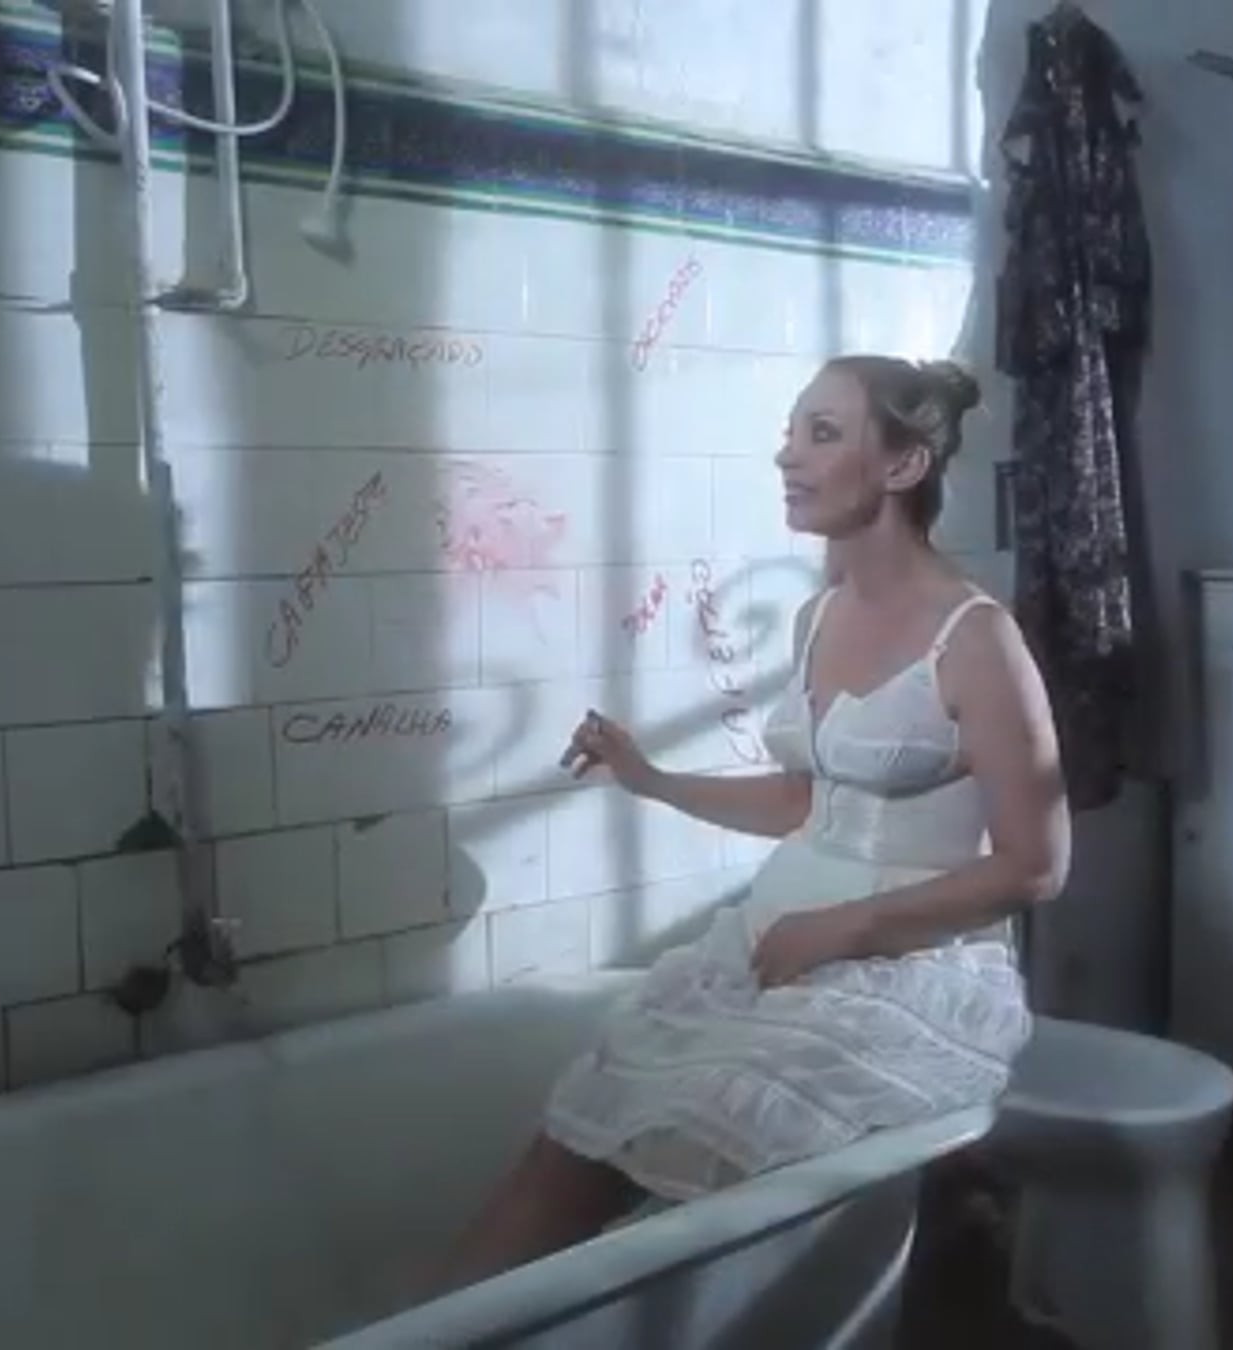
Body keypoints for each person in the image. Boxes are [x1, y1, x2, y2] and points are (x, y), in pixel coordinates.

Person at [430, 355, 1070, 1291]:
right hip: (774, 942)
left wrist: (845, 927)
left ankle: (928, 1239)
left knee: (709, 1152)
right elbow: (803, 803)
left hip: (902, 965)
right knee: (577, 1139)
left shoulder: (976, 637)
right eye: (789, 432)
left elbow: (1036, 865)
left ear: (902, 466)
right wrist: (649, 779)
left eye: (822, 433)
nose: (786, 456)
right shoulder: (818, 616)